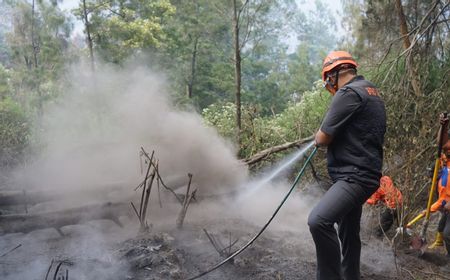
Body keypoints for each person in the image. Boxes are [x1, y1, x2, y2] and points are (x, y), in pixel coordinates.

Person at [308, 50, 386, 280]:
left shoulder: (348, 92)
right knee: (348, 231)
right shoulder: (372, 92)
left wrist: (317, 136)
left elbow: (322, 138)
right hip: (368, 173)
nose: (329, 85)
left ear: (333, 74)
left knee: (319, 221)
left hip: (354, 176)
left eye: (328, 79)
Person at [427, 113, 450, 251]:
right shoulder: (446, 160)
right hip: (445, 200)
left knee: (448, 233)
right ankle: (441, 244)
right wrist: (443, 126)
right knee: (442, 225)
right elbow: (441, 143)